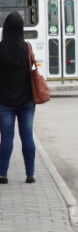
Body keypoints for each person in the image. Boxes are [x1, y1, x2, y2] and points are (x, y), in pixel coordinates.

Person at [0, 12, 36, 184]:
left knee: (6, 138)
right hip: (27, 101)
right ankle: (30, 174)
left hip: (4, 102)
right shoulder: (27, 48)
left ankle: (2, 174)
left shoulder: (0, 49)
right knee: (27, 136)